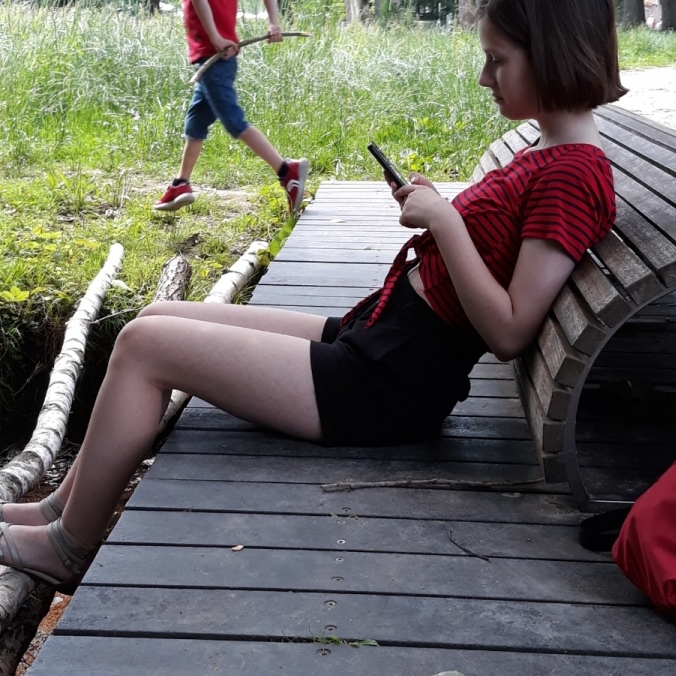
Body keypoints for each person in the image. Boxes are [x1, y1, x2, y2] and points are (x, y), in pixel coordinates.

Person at [0, 0, 626, 590]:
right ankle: (60, 508)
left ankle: (68, 546)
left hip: (389, 386)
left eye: (497, 60)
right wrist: (441, 211)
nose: (484, 77)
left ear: (553, 54)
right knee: (156, 315)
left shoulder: (573, 172)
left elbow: (511, 331)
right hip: (379, 342)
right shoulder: (550, 149)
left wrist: (446, 221)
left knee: (143, 344)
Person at [152, 0, 308, 215]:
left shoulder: (214, 44)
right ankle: (181, 183)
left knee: (234, 121)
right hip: (218, 55)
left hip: (214, 53)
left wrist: (215, 37)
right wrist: (274, 22)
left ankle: (287, 171)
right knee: (196, 121)